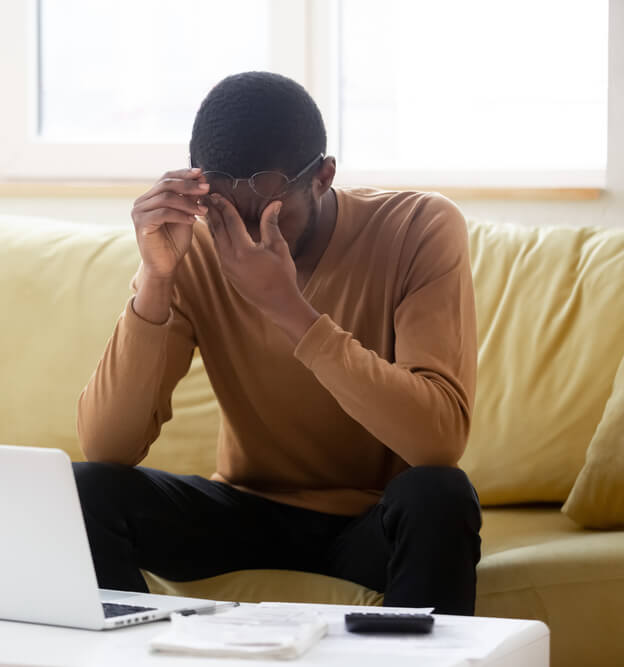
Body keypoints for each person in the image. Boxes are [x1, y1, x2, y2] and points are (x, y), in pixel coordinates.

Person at [74, 71, 481, 615]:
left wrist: (288, 309)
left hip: (371, 522)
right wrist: (155, 280)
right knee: (82, 492)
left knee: (441, 496)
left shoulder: (418, 227)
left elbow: (438, 442)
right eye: (223, 212)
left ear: (323, 177)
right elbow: (107, 447)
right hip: (247, 513)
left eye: (271, 213)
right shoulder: (193, 252)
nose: (245, 237)